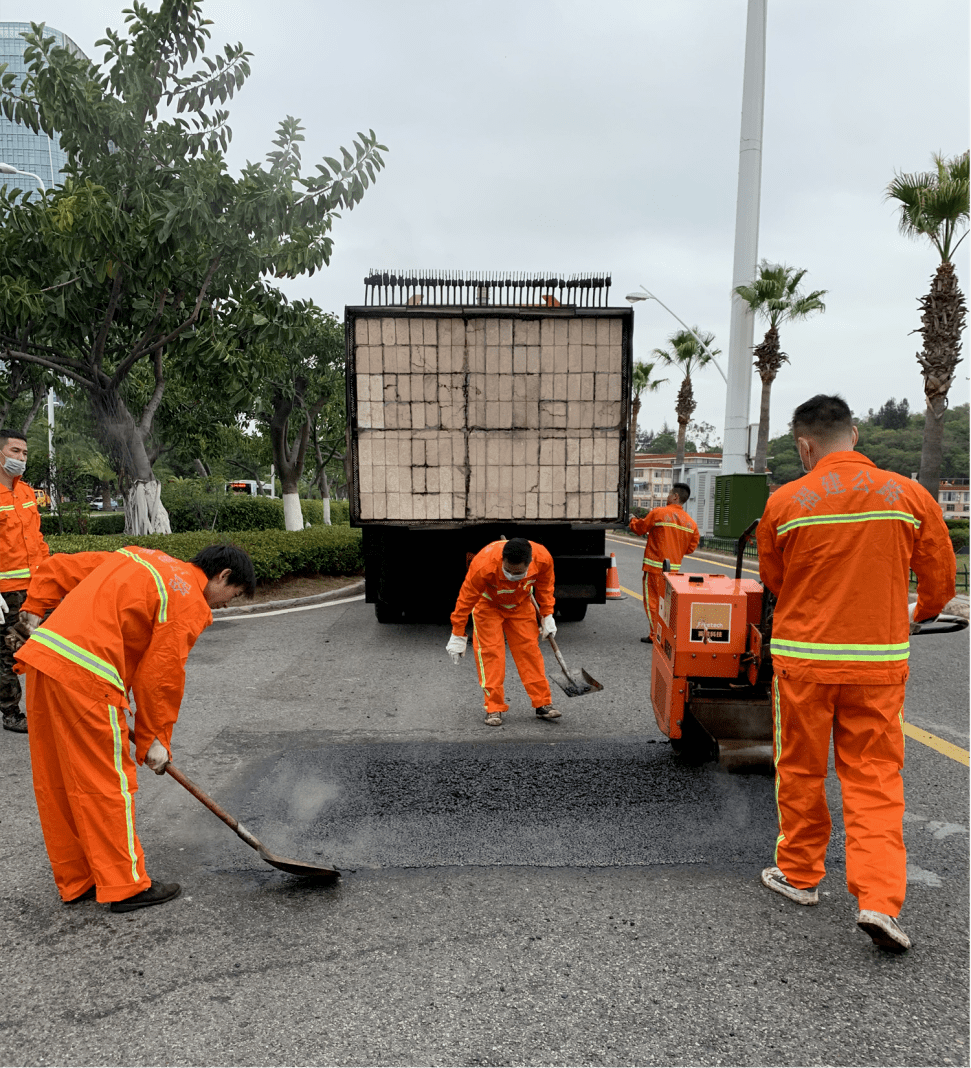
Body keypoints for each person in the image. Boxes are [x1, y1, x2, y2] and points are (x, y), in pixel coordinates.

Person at [756, 394, 955, 952]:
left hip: (805, 660)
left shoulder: (787, 501)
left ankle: (799, 876)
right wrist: (924, 612)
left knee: (800, 767)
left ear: (805, 445)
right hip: (878, 662)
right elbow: (938, 576)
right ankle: (878, 900)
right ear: (857, 434)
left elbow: (776, 577)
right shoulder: (908, 495)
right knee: (873, 776)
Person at [13, 543, 255, 911]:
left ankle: (79, 878)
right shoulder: (187, 597)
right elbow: (161, 677)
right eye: (232, 595)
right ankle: (124, 885)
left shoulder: (141, 557)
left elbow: (57, 568)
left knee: (58, 780)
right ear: (222, 575)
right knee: (105, 784)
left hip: (44, 664)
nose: (224, 605)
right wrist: (155, 739)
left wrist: (32, 609)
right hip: (88, 679)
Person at [447, 537, 560, 726]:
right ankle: (493, 708)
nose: (512, 576)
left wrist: (547, 615)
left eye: (518, 573)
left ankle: (543, 704)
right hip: (488, 606)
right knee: (491, 654)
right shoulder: (483, 564)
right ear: (502, 560)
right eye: (508, 571)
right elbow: (465, 599)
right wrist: (458, 633)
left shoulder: (543, 558)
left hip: (521, 604)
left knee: (530, 652)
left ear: (530, 562)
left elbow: (545, 587)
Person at [0, 427, 51, 733]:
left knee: (45, 646)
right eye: (14, 451)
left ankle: (45, 705)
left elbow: (38, 540)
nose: (20, 458)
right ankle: (11, 713)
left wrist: (50, 577)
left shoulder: (27, 492)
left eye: (24, 453)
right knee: (8, 652)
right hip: (6, 593)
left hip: (37, 587)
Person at [628, 483, 699, 642]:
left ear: (675, 497)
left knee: (652, 602)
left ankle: (655, 635)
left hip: (655, 568)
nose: (667, 497)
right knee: (667, 605)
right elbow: (690, 548)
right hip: (673, 572)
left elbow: (640, 528)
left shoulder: (659, 513)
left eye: (669, 494)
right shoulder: (691, 524)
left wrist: (632, 520)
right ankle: (666, 634)